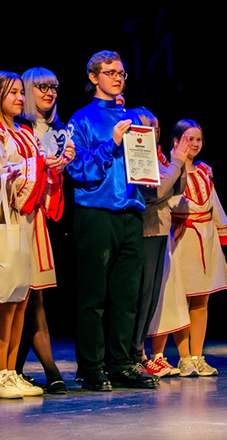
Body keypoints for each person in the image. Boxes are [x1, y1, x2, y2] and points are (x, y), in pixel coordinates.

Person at [65, 50, 157, 390]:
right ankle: (92, 366)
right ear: (94, 78)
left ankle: (121, 363)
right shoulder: (82, 119)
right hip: (97, 213)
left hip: (131, 211)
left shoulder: (133, 116)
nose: (118, 78)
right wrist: (112, 143)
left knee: (126, 295)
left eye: (121, 73)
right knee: (94, 296)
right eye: (110, 72)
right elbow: (77, 169)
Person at [0, 71, 70, 398]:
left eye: (21, 92)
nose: (20, 98)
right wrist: (39, 166)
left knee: (22, 298)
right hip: (9, 216)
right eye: (13, 93)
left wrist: (55, 166)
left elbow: (36, 170)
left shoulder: (25, 132)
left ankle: (11, 371)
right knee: (6, 299)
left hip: (30, 218)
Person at [148, 119, 227, 376]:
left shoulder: (204, 172)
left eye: (198, 140)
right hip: (182, 238)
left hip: (205, 240)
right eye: (189, 139)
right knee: (180, 300)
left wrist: (222, 237)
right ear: (176, 142)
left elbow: (213, 206)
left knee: (201, 300)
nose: (195, 144)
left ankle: (197, 356)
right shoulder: (168, 170)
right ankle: (184, 357)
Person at [14, 66, 74, 394]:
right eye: (42, 87)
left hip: (48, 220)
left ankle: (15, 370)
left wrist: (64, 165)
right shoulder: (16, 128)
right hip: (19, 216)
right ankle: (50, 371)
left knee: (34, 296)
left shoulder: (60, 130)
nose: (50, 93)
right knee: (25, 296)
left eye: (54, 87)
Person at [127, 108, 189, 378]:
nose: (153, 133)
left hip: (160, 230)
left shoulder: (158, 157)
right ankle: (133, 353)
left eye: (156, 128)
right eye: (147, 127)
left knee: (151, 297)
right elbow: (157, 191)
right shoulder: (139, 156)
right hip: (146, 231)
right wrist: (176, 164)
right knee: (142, 297)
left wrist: (180, 164)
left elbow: (175, 188)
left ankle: (137, 353)